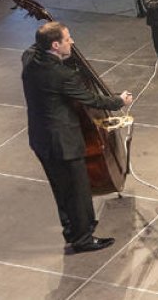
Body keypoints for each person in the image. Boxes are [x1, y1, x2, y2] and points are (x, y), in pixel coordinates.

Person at [21, 21, 134, 253]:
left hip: (41, 138)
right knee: (78, 190)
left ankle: (71, 230)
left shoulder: (30, 59)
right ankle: (83, 239)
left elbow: (34, 47)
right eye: (67, 39)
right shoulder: (62, 75)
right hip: (64, 141)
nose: (71, 41)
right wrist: (119, 101)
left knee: (61, 189)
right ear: (55, 45)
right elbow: (91, 99)